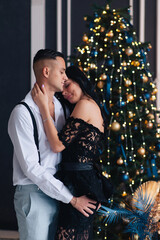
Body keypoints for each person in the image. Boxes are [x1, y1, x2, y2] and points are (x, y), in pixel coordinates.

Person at [8, 49, 97, 240]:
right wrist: (72, 199)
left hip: (61, 192)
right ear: (46, 72)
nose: (66, 77)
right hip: (35, 195)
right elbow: (31, 168)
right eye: (62, 71)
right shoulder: (22, 113)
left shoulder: (62, 107)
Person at [31, 65, 108, 239]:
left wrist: (43, 107)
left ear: (79, 80)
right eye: (62, 88)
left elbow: (57, 145)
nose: (64, 92)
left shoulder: (85, 104)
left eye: (68, 85)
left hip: (80, 183)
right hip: (81, 180)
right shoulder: (86, 105)